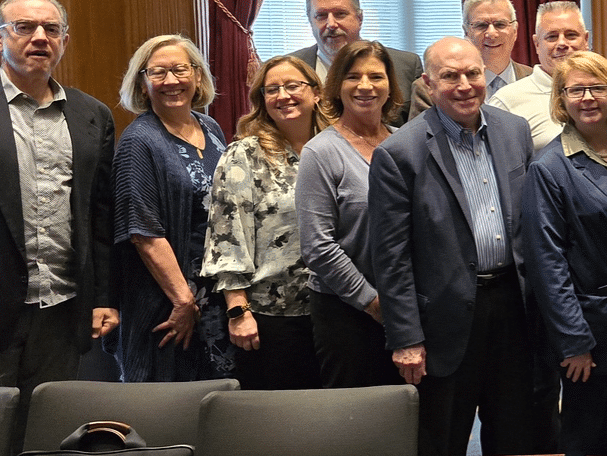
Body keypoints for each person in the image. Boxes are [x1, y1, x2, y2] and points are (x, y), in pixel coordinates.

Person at [370, 37, 545, 456]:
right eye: (450, 76)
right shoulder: (398, 153)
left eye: (472, 73)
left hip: (514, 311)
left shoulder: (514, 131)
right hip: (443, 323)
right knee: (442, 439)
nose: (465, 85)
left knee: (517, 435)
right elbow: (391, 259)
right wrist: (406, 338)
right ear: (429, 85)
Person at [0, 0, 117, 442]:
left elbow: (101, 215)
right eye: (24, 27)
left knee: (49, 437)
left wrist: (103, 295)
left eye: (51, 29)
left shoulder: (93, 115)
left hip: (63, 311)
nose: (39, 38)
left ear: (64, 41)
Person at [521, 52, 607, 456]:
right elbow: (546, 263)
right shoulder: (550, 168)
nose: (588, 98)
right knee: (587, 440)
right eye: (576, 90)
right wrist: (573, 342)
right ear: (561, 99)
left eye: (598, 88)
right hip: (591, 336)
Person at [109, 35, 234, 382]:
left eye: (180, 70)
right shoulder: (139, 141)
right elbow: (143, 232)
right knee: (168, 402)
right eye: (158, 73)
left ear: (197, 76)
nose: (171, 81)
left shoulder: (210, 128)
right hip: (168, 301)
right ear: (143, 84)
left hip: (213, 298)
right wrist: (183, 301)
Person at [201, 56, 328, 389]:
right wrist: (238, 311)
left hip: (337, 311)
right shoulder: (244, 155)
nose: (282, 95)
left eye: (292, 86)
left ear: (316, 93)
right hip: (272, 318)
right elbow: (227, 238)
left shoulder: (336, 148)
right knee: (277, 424)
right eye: (272, 89)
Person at [297, 40, 404, 388]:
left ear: (390, 84)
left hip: (405, 307)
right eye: (353, 77)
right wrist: (372, 302)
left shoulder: (406, 144)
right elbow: (318, 246)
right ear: (336, 86)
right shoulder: (321, 151)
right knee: (355, 424)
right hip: (346, 313)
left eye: (376, 76)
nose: (365, 86)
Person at [288, 0, 423, 127]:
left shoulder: (405, 66)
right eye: (321, 16)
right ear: (310, 21)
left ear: (360, 19)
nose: (331, 24)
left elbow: (419, 133)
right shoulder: (289, 68)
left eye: (340, 14)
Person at [410, 0, 533, 117]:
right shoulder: (429, 88)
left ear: (515, 31)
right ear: (466, 32)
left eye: (500, 24)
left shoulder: (536, 80)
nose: (491, 33)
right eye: (481, 25)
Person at [493, 0, 591, 151]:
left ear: (586, 40)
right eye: (551, 37)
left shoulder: (606, 93)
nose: (562, 43)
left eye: (571, 35)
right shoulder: (507, 102)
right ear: (537, 43)